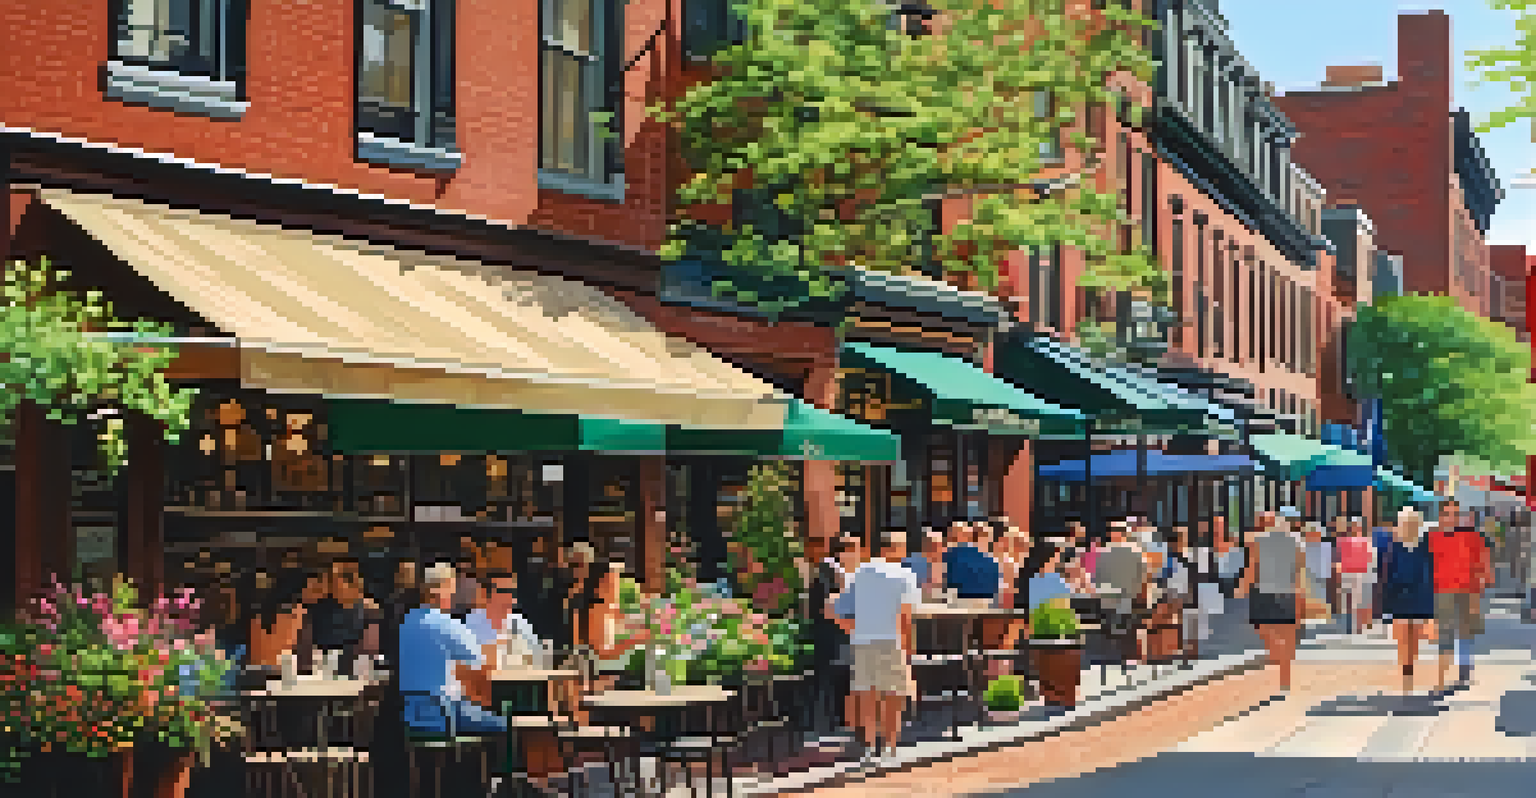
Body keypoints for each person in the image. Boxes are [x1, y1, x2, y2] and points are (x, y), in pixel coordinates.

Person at [832, 530, 919, 766]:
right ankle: (890, 748)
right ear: (895, 549)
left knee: (867, 695)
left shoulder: (860, 572)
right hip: (891, 640)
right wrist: (908, 648)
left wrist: (854, 631)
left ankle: (870, 748)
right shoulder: (904, 574)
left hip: (863, 641)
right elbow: (905, 616)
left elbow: (838, 610)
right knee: (893, 695)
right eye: (902, 546)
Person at [398, 562, 507, 735]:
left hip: (413, 716)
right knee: (509, 726)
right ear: (442, 591)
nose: (453, 597)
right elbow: (481, 661)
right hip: (447, 713)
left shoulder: (407, 622)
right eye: (452, 591)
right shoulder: (447, 624)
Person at [1237, 506, 1305, 693]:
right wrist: (1300, 594)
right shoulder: (1295, 540)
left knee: (1267, 630)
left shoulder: (1260, 542)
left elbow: (1252, 568)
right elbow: (1299, 570)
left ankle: (1283, 673)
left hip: (1267, 592)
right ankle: (1284, 673)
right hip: (1287, 592)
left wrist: (1242, 588)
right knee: (1283, 635)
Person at [1430, 499, 1492, 692]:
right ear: (1440, 516)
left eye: (1455, 514)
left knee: (1465, 633)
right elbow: (1426, 566)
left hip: (1467, 591)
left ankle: (1463, 674)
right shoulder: (1432, 537)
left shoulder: (1472, 537)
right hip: (1442, 591)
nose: (1452, 518)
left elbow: (1483, 564)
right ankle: (1443, 675)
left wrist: (1478, 594)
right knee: (1445, 634)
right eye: (1448, 514)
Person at [1379, 508, 1435, 694]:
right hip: (1399, 598)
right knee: (1403, 638)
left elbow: (1430, 571)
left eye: (1412, 523)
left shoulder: (1425, 545)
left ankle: (1410, 667)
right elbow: (1385, 572)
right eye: (1406, 523)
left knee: (1415, 637)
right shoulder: (1393, 546)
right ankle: (1406, 672)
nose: (1409, 526)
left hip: (1420, 598)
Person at [811, 536, 859, 734]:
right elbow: (831, 605)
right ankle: (836, 721)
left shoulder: (833, 570)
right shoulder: (831, 570)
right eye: (855, 549)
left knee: (837, 675)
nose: (858, 553)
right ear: (843, 551)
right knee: (837, 675)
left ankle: (837, 720)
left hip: (832, 632)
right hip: (834, 633)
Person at [943, 519, 1002, 601]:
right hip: (985, 602)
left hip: (960, 600)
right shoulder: (994, 562)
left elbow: (949, 582)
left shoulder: (954, 554)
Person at [1336, 517, 1377, 634]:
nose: (1355, 528)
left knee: (1360, 601)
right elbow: (1341, 558)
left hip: (1361, 574)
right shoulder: (1344, 541)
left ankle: (1360, 625)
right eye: (1353, 525)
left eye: (1357, 525)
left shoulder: (1366, 542)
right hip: (1348, 574)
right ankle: (1350, 625)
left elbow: (1370, 559)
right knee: (1349, 601)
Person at [1301, 521, 1333, 627]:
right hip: (1307, 579)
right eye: (1310, 533)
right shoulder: (1302, 547)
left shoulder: (1325, 547)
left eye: (1314, 533)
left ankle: (1320, 619)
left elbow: (1327, 566)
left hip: (1320, 580)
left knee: (1320, 598)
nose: (1312, 536)